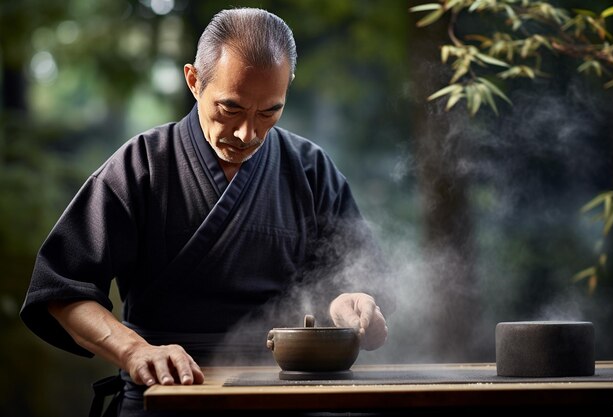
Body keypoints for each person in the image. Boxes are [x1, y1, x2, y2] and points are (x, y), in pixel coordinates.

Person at [20, 7, 394, 417]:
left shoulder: (308, 169)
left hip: (286, 398)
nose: (247, 134)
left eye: (269, 111)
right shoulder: (142, 165)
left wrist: (351, 304)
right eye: (230, 109)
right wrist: (133, 350)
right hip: (166, 394)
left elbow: (359, 280)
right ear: (194, 81)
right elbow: (62, 290)